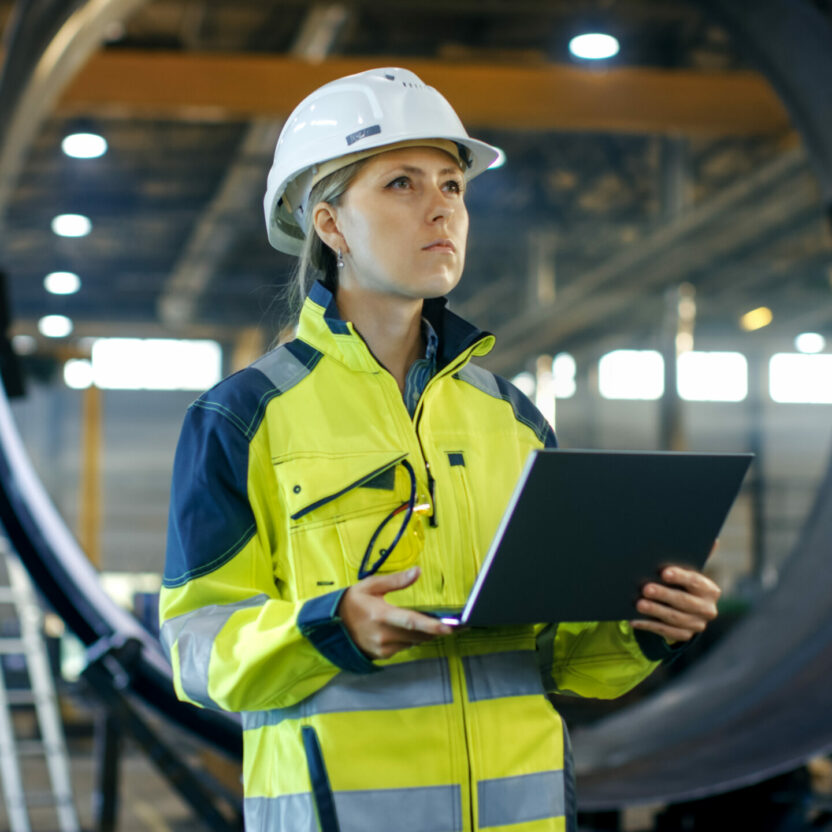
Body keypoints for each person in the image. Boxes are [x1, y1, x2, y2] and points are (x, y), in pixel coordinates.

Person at [160, 67, 721, 832]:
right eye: (400, 184)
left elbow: (558, 656)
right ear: (330, 226)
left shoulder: (511, 419)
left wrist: (645, 625)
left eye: (452, 186)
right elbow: (197, 651)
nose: (441, 209)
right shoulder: (243, 418)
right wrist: (333, 627)